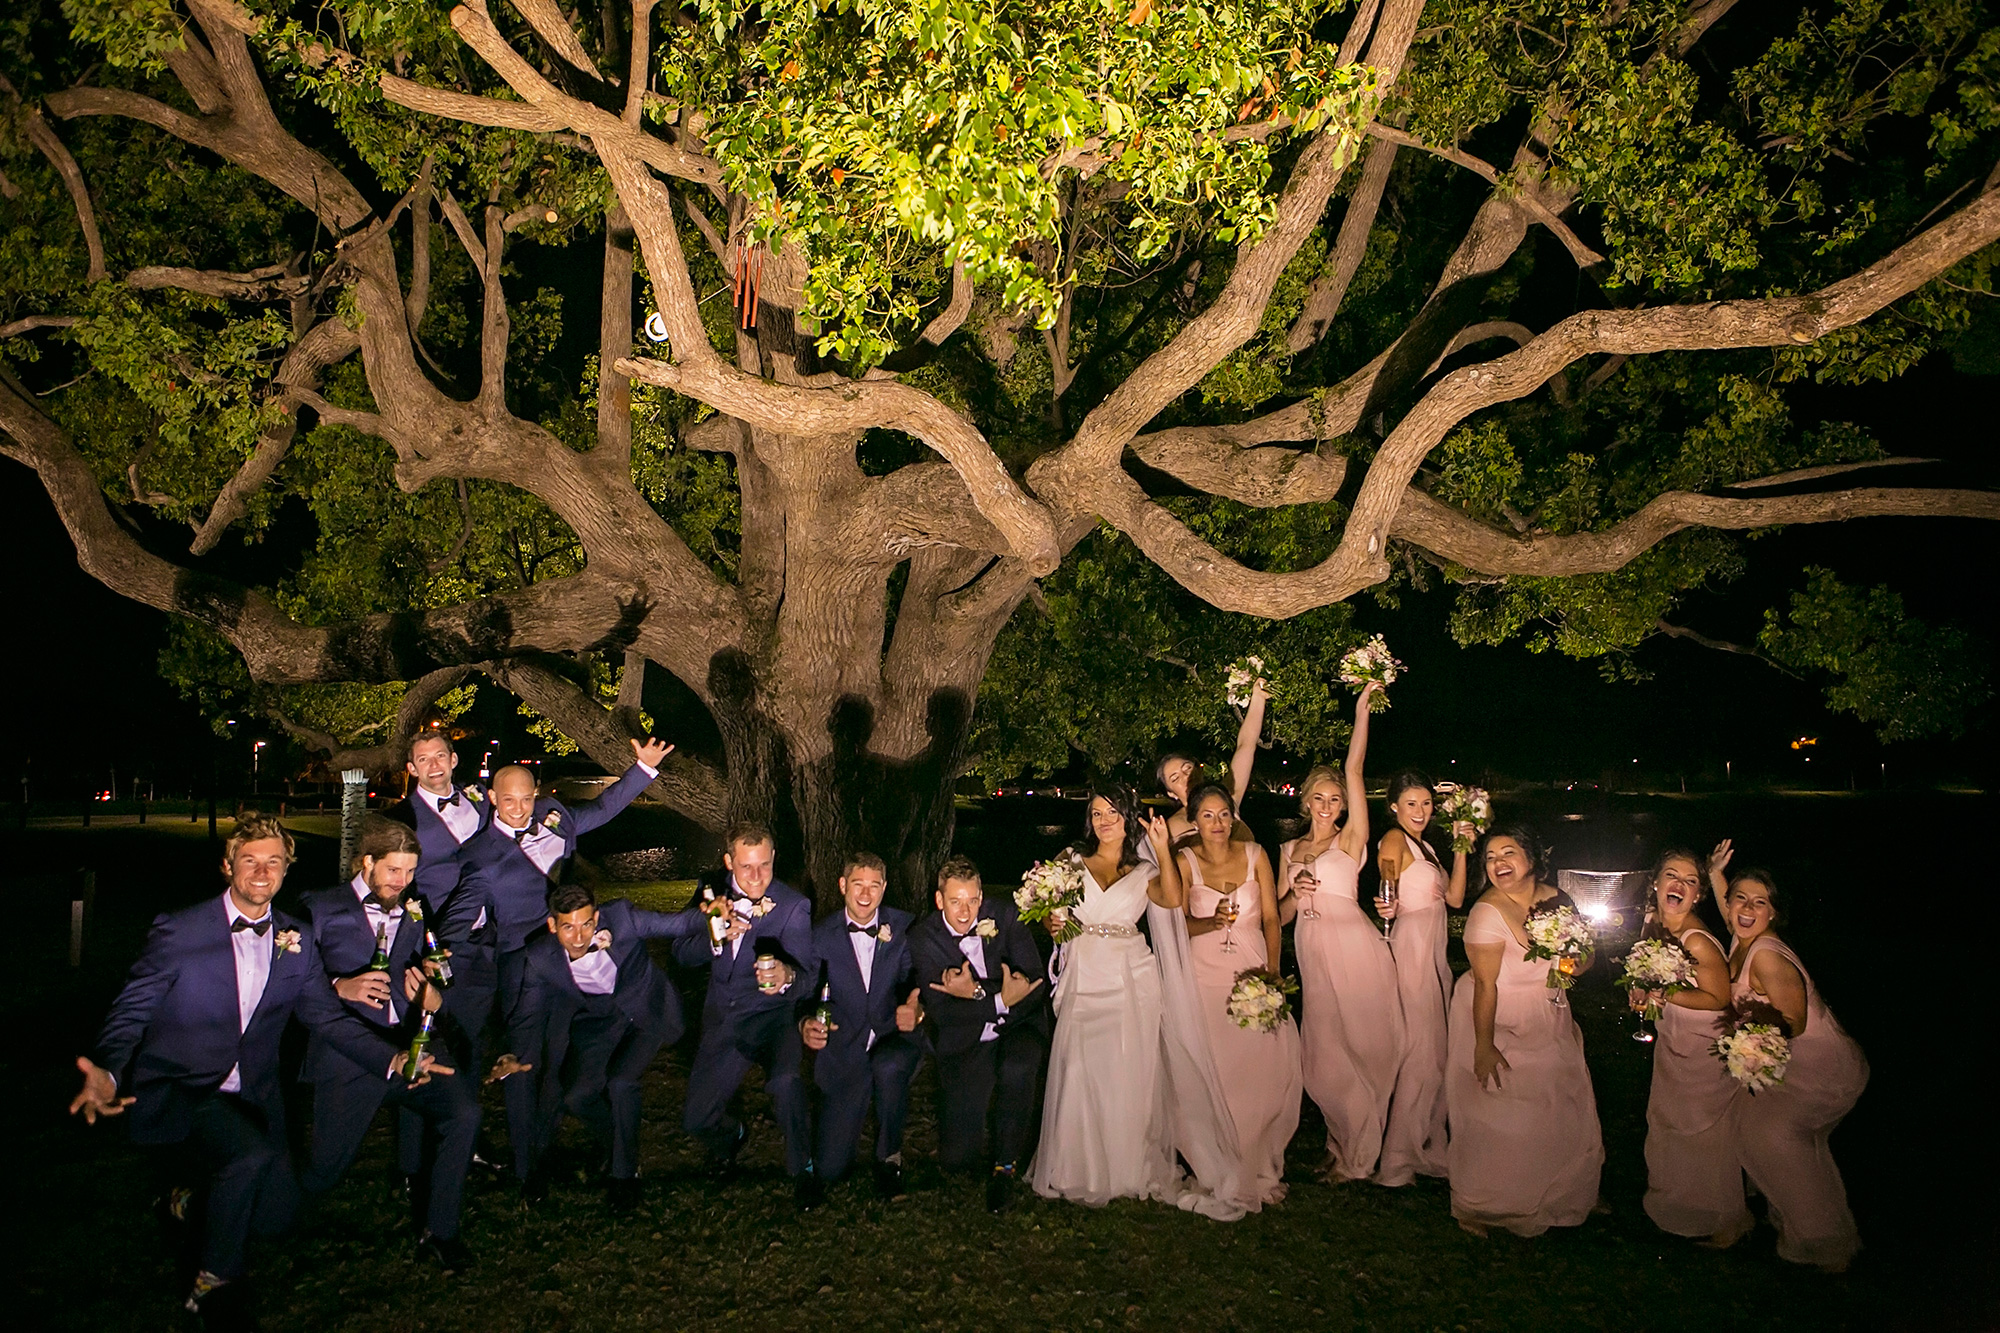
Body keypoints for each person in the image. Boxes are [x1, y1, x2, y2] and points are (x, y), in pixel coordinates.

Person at [69, 814, 319, 1332]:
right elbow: (132, 1008)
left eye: (274, 861)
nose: (261, 871)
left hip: (254, 1087)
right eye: (249, 859)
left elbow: (322, 1012)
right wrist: (110, 1072)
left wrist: (388, 1059)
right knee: (248, 1158)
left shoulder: (298, 935)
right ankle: (213, 1282)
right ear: (227, 866)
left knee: (278, 1219)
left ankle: (186, 1200)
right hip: (184, 1083)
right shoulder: (180, 929)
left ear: (286, 870)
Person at [449, 736, 672, 1194]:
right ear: (491, 798)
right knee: (521, 1062)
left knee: (558, 1061)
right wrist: (442, 957)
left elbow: (603, 809)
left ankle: (544, 1147)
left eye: (525, 798)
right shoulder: (476, 857)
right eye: (507, 799)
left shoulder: (555, 818)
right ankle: (525, 1168)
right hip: (521, 967)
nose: (517, 808)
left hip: (570, 956)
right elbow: (459, 916)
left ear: (536, 795)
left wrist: (642, 769)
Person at [296, 816, 477, 1270]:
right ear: (367, 862)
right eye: (394, 871)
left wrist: (434, 990)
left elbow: (423, 968)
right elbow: (290, 983)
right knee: (322, 1173)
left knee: (465, 1112)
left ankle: (441, 1232)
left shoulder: (415, 907)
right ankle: (210, 1200)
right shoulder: (319, 906)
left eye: (411, 871)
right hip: (350, 1055)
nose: (403, 882)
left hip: (411, 1045)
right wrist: (339, 984)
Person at [489, 881, 701, 1212]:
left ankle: (625, 1178)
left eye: (586, 924)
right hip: (600, 1022)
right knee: (577, 1095)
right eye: (568, 927)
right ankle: (617, 1147)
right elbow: (526, 1017)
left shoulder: (622, 919)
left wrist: (718, 914)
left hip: (648, 1011)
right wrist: (514, 1055)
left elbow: (677, 923)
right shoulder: (540, 958)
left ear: (597, 917)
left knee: (621, 1082)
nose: (578, 937)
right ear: (552, 925)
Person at [1445, 825, 1604, 1237]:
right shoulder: (1486, 913)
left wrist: (1571, 963)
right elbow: (1485, 985)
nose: (1498, 863)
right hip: (1495, 1011)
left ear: (1531, 860)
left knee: (1560, 1098)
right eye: (1491, 857)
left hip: (1547, 1008)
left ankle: (1560, 1190)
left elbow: (1584, 956)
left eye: (1508, 853)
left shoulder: (1557, 899)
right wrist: (1483, 1046)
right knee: (1500, 1110)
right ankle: (1481, 1205)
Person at [1716, 856, 1869, 1271]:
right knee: (1788, 1145)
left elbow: (1794, 1022)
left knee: (1770, 1137)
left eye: (1759, 903)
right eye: (1739, 900)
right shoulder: (1741, 937)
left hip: (1823, 1070)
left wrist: (1745, 1046)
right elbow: (1732, 912)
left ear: (1774, 913)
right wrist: (1716, 875)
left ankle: (1827, 1243)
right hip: (1797, 1067)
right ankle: (1802, 1225)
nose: (1746, 910)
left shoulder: (1766, 955)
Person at [1031, 786, 1180, 1206]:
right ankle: (1076, 1166)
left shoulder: (1144, 869)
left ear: (1127, 817)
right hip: (1084, 970)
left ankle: (1124, 1166)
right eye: (1096, 814)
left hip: (1131, 973)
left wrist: (1163, 849)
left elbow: (1172, 899)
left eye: (1112, 812)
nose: (1104, 821)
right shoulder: (1070, 860)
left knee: (1126, 1068)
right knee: (1079, 1066)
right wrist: (1051, 924)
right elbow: (1047, 909)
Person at [1280, 683, 1402, 1183]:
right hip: (1311, 950)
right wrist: (1295, 892)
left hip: (1353, 945)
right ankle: (1342, 1140)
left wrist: (1361, 709)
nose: (1328, 804)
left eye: (1335, 799)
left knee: (1361, 1046)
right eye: (1319, 797)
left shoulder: (1351, 840)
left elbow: (1355, 768)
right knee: (1322, 1057)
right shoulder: (1288, 850)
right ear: (1305, 800)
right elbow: (1282, 916)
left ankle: (1355, 1155)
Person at [668, 822, 815, 1206]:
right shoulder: (709, 896)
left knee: (785, 1083)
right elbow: (681, 954)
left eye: (764, 865)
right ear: (729, 862)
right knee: (695, 1120)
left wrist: (788, 975)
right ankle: (731, 1136)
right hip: (724, 1021)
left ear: (773, 860)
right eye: (746, 867)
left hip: (773, 1018)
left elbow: (809, 978)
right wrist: (714, 938)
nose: (756, 877)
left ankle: (805, 1169)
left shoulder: (793, 906)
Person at [1176, 785, 1302, 1207]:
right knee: (1214, 1065)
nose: (1217, 823)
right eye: (1208, 816)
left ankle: (1254, 1157)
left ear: (1233, 817)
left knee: (1258, 1067)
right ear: (1194, 821)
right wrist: (1210, 922)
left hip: (1251, 967)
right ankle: (1213, 1159)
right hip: (1203, 974)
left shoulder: (1255, 855)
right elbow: (1175, 927)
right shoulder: (1185, 861)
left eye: (1224, 814)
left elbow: (1270, 918)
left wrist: (1272, 973)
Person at [908, 855, 1049, 1213]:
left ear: (982, 896)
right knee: (957, 1160)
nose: (965, 911)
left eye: (972, 900)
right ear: (939, 900)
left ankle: (1006, 1165)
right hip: (965, 1038)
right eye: (955, 901)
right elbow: (943, 1011)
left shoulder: (1006, 917)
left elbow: (1031, 981)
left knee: (1017, 1069)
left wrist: (975, 994)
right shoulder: (924, 938)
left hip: (1019, 1026)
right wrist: (995, 997)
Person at [1632, 845, 1749, 1246]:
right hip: (1673, 1040)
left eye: (1690, 880)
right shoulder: (1652, 920)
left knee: (1704, 1133)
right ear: (1655, 882)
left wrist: (1665, 992)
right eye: (1671, 875)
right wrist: (1640, 991)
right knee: (1667, 1124)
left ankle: (1728, 1218)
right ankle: (1679, 1207)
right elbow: (1645, 972)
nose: (1678, 884)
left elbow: (1718, 998)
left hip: (1703, 1045)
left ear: (1698, 894)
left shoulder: (1698, 940)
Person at [799, 852, 924, 1199]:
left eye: (874, 885)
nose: (865, 894)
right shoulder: (820, 935)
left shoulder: (904, 927)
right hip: (843, 1050)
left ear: (884, 888)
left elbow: (918, 979)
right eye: (858, 884)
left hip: (892, 1040)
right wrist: (805, 1023)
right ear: (843, 886)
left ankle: (889, 1159)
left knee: (888, 1065)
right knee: (830, 1169)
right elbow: (804, 994)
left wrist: (917, 1007)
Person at [1373, 772, 1468, 1187]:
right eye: (1411, 803)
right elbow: (1386, 878)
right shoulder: (1395, 838)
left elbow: (1457, 899)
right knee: (1420, 1050)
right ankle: (1397, 1159)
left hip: (1433, 951)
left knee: (1437, 1051)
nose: (1420, 811)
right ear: (1394, 806)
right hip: (1411, 946)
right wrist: (1386, 904)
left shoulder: (1427, 847)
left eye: (1427, 804)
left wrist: (1463, 847)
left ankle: (1428, 1143)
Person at [1151, 675, 1269, 850]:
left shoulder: (1228, 798)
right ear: (1171, 793)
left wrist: (1258, 697)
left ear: (1199, 769)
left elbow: (1245, 746)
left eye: (1187, 768)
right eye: (1175, 778)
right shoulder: (1170, 829)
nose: (1186, 777)